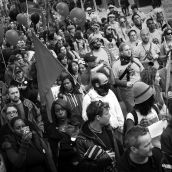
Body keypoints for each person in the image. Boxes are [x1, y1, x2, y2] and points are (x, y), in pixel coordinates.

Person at [76, 100, 123, 172]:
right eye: (107, 114)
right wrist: (103, 158)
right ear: (98, 117)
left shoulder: (108, 128)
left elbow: (117, 150)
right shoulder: (82, 139)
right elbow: (83, 167)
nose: (110, 115)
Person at [45, 99, 80, 172]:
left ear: (67, 110)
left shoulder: (76, 123)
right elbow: (54, 151)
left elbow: (81, 144)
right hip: (63, 165)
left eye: (62, 109)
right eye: (57, 111)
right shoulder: (52, 129)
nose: (60, 112)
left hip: (80, 162)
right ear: (54, 113)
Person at [112, 43, 144, 112]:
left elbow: (143, 72)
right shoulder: (116, 65)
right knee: (133, 112)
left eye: (129, 49)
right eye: (126, 50)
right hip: (128, 92)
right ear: (121, 52)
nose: (129, 51)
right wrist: (125, 84)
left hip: (140, 89)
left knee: (143, 109)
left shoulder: (135, 60)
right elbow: (115, 81)